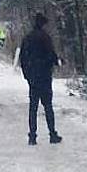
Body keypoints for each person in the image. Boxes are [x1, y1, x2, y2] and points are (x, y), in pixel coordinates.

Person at [20, 13, 63, 146]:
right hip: (44, 76)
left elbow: (23, 58)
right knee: (48, 106)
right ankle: (52, 134)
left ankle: (32, 136)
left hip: (33, 77)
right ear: (43, 24)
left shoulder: (27, 38)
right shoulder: (45, 38)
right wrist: (58, 61)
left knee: (33, 107)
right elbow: (51, 55)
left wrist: (27, 75)